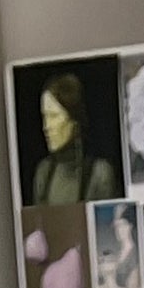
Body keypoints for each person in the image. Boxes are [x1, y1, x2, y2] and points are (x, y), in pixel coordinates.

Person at [25, 72, 118, 204]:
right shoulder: (44, 172)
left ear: (74, 119)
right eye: (44, 117)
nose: (46, 127)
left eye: (53, 116)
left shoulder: (100, 173)